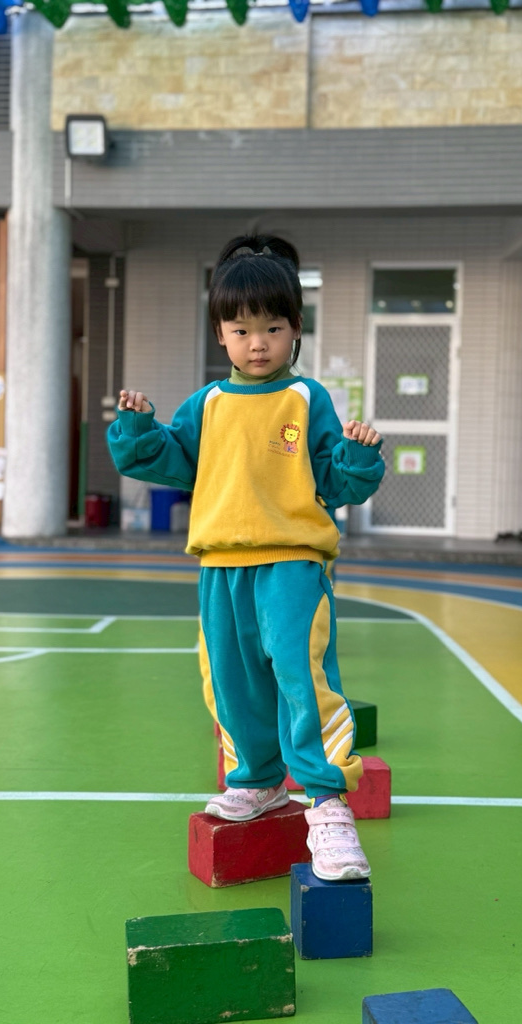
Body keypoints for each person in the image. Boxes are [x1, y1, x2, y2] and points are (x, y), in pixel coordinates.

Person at [107, 234, 385, 880]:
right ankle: (258, 779)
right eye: (241, 329)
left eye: (272, 328)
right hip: (220, 568)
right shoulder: (207, 405)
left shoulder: (306, 399)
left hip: (293, 563)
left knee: (301, 678)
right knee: (229, 681)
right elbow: (166, 458)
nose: (257, 342)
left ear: (296, 330)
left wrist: (358, 455)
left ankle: (327, 806)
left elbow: (337, 482)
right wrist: (138, 428)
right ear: (220, 335)